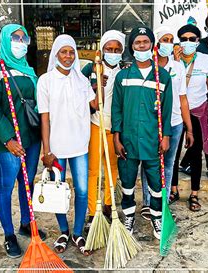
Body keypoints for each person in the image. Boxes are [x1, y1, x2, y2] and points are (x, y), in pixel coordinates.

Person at [0, 24, 46, 258]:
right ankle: (9, 234)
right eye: (15, 38)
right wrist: (8, 138)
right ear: (5, 41)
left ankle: (25, 223)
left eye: (23, 37)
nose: (20, 42)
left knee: (26, 183)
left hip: (30, 137)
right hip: (6, 142)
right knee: (6, 185)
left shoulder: (29, 70)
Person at [37, 34, 100, 256]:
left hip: (80, 145)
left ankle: (77, 233)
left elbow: (94, 104)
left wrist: (99, 78)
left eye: (71, 52)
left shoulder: (81, 80)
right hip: (57, 148)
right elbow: (44, 118)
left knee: (81, 191)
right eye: (63, 52)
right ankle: (63, 231)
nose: (68, 56)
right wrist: (47, 151)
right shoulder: (45, 81)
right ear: (56, 54)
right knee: (58, 190)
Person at [111, 26, 173, 239]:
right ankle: (129, 216)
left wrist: (166, 137)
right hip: (127, 141)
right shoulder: (123, 76)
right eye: (137, 43)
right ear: (132, 47)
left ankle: (157, 218)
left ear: (152, 45)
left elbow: (167, 109)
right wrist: (116, 136)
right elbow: (116, 108)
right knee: (127, 183)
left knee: (156, 184)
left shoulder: (163, 77)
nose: (141, 46)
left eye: (145, 42)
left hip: (152, 140)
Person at [170, 22, 208, 211]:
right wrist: (174, 61)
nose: (187, 42)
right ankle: (173, 189)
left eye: (192, 39)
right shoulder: (172, 61)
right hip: (174, 113)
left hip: (196, 111)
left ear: (197, 42)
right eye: (183, 39)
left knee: (195, 155)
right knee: (172, 154)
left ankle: (194, 194)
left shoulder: (206, 60)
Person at [139, 26, 193, 220]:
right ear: (156, 43)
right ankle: (147, 202)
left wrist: (190, 128)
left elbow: (183, 99)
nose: (168, 44)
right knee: (148, 162)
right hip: (151, 123)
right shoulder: (147, 66)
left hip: (175, 123)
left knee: (169, 163)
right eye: (165, 39)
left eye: (171, 40)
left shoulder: (178, 67)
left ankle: (163, 201)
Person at [81, 30, 126, 232]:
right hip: (95, 123)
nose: (113, 53)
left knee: (112, 169)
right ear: (102, 49)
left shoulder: (125, 71)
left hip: (115, 126)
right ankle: (93, 211)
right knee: (93, 170)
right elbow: (80, 96)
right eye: (109, 49)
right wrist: (95, 86)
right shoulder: (91, 68)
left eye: (117, 49)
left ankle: (108, 205)